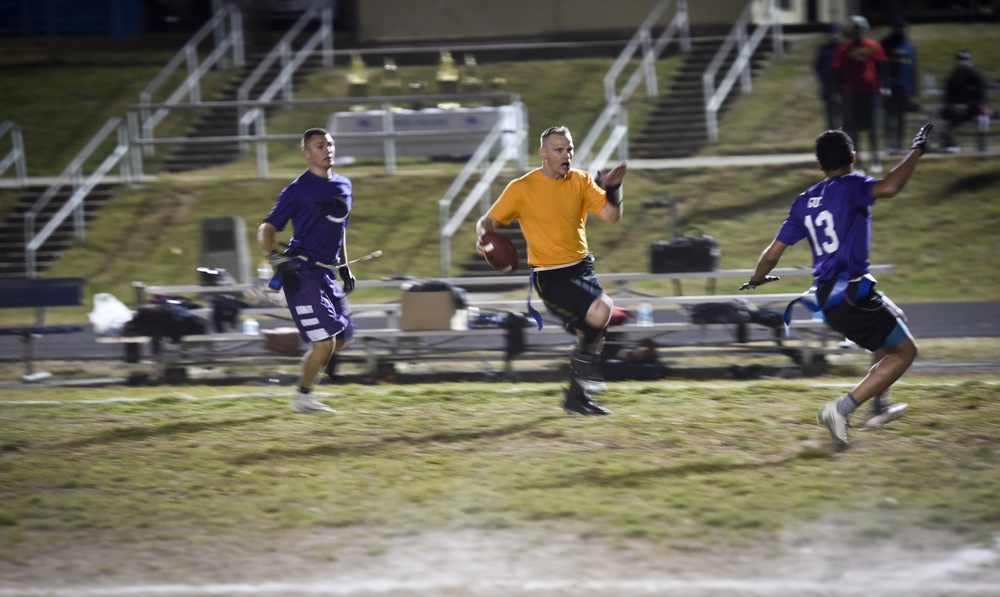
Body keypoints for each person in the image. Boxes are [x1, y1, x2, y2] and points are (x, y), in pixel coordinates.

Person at [739, 122, 933, 449]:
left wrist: (756, 279)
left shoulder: (804, 201)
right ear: (853, 158)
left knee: (893, 322)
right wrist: (918, 150)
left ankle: (878, 405)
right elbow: (890, 187)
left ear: (819, 165)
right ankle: (841, 409)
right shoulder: (853, 185)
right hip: (852, 295)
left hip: (827, 297)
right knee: (906, 351)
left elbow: (772, 253)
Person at [476, 125, 627, 415]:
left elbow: (612, 216)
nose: (566, 154)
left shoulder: (581, 180)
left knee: (593, 333)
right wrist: (482, 240)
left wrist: (613, 187)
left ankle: (576, 398)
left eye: (569, 148)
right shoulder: (521, 188)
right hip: (550, 275)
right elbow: (487, 221)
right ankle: (580, 388)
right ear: (543, 154)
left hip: (582, 269)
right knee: (602, 310)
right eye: (559, 149)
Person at [258, 127, 357, 414]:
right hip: (302, 274)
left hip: (327, 273)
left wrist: (344, 267)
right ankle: (302, 398)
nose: (327, 150)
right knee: (325, 342)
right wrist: (275, 258)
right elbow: (266, 229)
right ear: (306, 154)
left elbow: (339, 229)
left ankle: (312, 362)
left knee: (342, 339)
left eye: (329, 144)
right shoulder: (297, 190)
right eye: (319, 146)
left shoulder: (344, 185)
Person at [832, 15, 888, 172]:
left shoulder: (874, 46)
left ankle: (875, 160)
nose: (857, 31)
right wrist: (837, 90)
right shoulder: (843, 49)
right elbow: (837, 71)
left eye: (860, 28)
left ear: (865, 29)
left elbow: (882, 67)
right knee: (852, 131)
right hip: (851, 93)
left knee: (873, 129)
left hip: (871, 92)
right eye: (855, 28)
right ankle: (856, 164)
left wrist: (885, 86)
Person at [940, 50, 992, 152]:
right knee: (944, 113)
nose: (962, 63)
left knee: (980, 113)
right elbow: (948, 96)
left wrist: (967, 106)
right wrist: (954, 105)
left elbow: (981, 98)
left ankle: (980, 147)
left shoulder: (976, 77)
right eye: (960, 60)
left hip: (972, 110)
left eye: (965, 60)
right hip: (957, 110)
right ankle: (950, 143)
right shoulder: (953, 78)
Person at [880, 19, 919, 154]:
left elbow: (913, 67)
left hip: (904, 86)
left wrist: (913, 87)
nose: (901, 30)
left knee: (901, 117)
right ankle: (889, 143)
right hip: (889, 86)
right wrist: (883, 84)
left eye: (903, 27)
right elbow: (881, 66)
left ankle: (900, 144)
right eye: (898, 27)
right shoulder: (885, 44)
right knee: (889, 116)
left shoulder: (909, 45)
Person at [814, 23, 843, 131]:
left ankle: (845, 141)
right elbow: (818, 67)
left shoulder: (844, 48)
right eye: (830, 33)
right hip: (828, 86)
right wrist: (824, 79)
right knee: (830, 117)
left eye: (835, 33)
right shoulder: (824, 49)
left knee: (843, 116)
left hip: (842, 87)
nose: (832, 35)